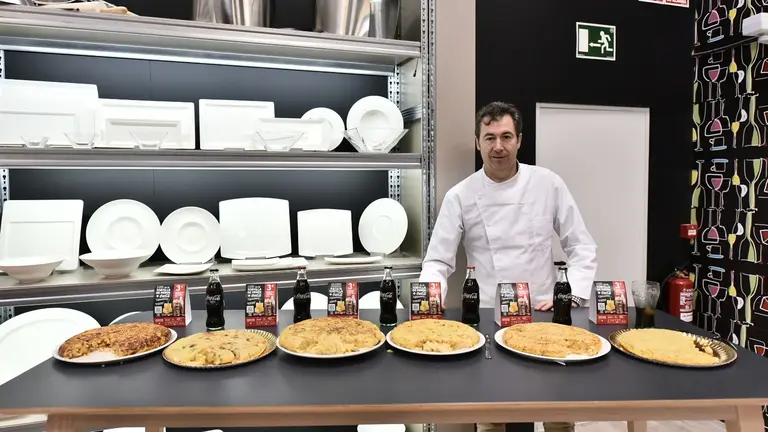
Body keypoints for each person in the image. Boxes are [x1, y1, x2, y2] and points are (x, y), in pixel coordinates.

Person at [419, 102, 597, 432]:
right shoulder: (461, 195)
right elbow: (438, 261)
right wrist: (428, 303)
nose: (498, 146)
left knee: (557, 409)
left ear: (519, 140)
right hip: (489, 315)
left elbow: (582, 246)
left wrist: (570, 296)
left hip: (544, 313)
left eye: (506, 136)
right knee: (492, 411)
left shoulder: (548, 184)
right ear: (477, 142)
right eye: (489, 138)